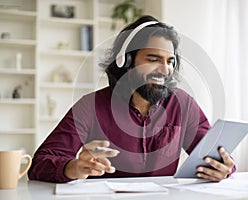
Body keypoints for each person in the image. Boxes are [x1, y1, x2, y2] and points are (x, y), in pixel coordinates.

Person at [28, 15, 235, 183]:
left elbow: (215, 155)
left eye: (170, 61)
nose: (165, 69)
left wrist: (224, 167)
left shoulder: (184, 104)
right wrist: (72, 167)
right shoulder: (90, 106)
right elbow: (40, 163)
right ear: (126, 61)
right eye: (153, 59)